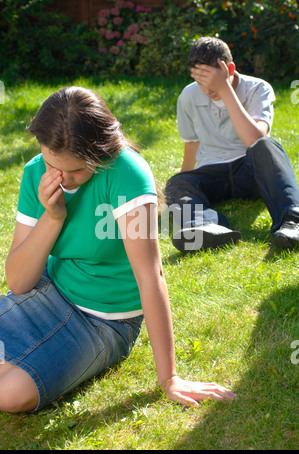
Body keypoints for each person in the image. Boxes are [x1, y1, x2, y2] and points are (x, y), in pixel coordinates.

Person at [0, 86, 235, 413]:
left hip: (106, 320)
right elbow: (19, 283)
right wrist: (52, 218)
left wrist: (170, 378)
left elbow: (150, 276)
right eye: (55, 166)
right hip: (48, 292)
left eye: (77, 170)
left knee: (9, 395)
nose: (64, 180)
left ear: (102, 152)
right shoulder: (35, 172)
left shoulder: (127, 175)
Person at [165, 37, 299, 253]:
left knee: (266, 146)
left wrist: (224, 89)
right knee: (176, 183)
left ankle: (292, 220)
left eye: (211, 81)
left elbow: (255, 140)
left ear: (230, 69)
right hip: (214, 172)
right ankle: (207, 226)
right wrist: (184, 176)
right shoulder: (188, 96)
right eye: (201, 82)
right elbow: (192, 143)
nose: (207, 90)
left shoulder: (257, 88)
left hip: (251, 170)